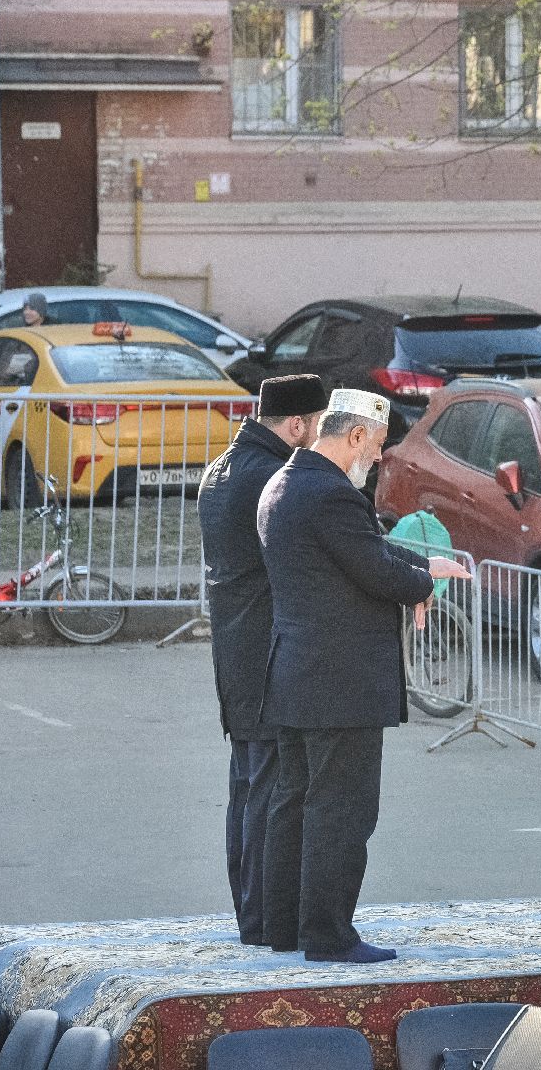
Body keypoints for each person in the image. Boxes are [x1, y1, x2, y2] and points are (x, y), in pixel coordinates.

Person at [257, 389, 469, 963]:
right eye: (376, 446)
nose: (378, 458)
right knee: (341, 810)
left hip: (298, 672)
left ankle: (284, 926)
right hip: (339, 681)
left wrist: (420, 567)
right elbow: (373, 568)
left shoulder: (286, 482)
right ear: (354, 436)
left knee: (295, 801)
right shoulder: (330, 494)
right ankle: (327, 935)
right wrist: (422, 583)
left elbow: (360, 554)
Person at [197, 374, 327, 947]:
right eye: (319, 426)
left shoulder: (222, 468)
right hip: (269, 653)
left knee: (250, 788)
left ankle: (253, 914)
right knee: (271, 792)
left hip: (237, 651)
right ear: (297, 424)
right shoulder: (272, 476)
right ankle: (266, 919)